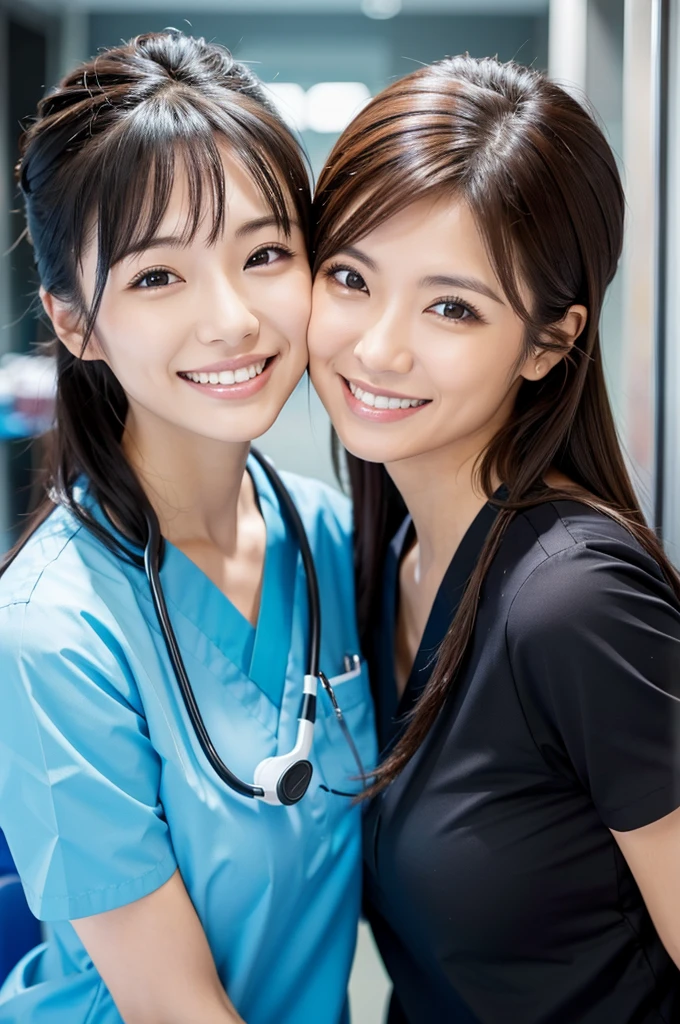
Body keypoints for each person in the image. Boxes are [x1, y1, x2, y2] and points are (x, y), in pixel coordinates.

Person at [0, 31, 375, 1024]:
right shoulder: (51, 631)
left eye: (262, 253)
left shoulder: (335, 542)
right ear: (75, 321)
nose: (232, 319)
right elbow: (175, 1008)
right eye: (157, 276)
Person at [308, 55, 680, 1023]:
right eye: (349, 275)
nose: (378, 345)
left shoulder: (574, 603)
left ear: (549, 342)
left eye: (450, 306)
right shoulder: (383, 558)